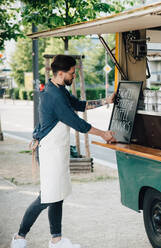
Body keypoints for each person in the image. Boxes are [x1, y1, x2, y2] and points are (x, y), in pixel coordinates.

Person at [11, 55, 117, 248]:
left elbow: (79, 104)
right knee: (46, 197)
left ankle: (56, 240)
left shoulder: (59, 89)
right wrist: (103, 134)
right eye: (72, 73)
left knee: (57, 195)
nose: (74, 76)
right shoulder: (54, 95)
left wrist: (106, 100)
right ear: (61, 73)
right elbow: (77, 122)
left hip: (57, 151)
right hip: (50, 151)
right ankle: (19, 237)